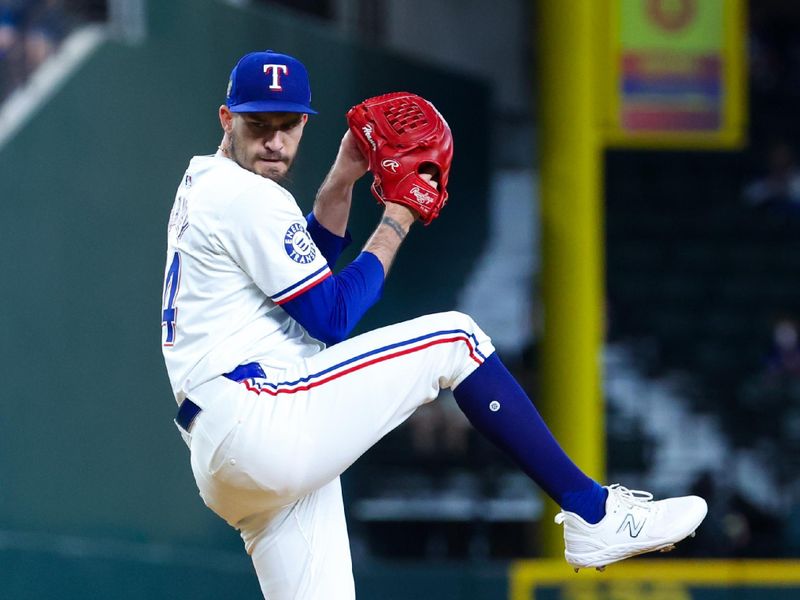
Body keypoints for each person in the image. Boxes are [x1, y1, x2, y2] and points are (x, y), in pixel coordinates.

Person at [161, 50, 707, 599]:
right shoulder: (247, 196)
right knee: (458, 341)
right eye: (259, 125)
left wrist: (343, 180)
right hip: (259, 415)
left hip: (228, 447)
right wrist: (398, 216)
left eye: (288, 124)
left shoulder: (208, 186)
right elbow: (331, 316)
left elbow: (308, 284)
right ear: (227, 118)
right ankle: (594, 514)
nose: (275, 141)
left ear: (306, 121)